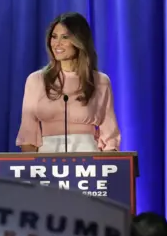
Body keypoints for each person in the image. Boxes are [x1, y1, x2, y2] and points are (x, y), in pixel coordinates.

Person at [16, 12, 121, 153]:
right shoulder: (36, 80)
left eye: (65, 37)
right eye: (54, 37)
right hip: (46, 163)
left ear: (79, 41)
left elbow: (109, 136)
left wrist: (109, 170)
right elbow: (28, 134)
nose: (57, 43)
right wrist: (29, 170)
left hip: (88, 163)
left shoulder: (100, 81)